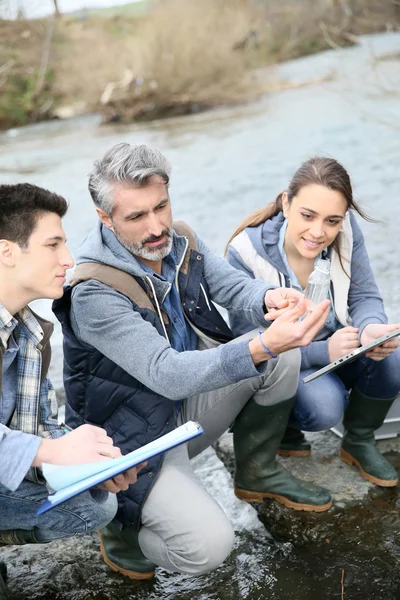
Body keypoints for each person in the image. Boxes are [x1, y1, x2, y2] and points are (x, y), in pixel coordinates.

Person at [54, 143, 332, 581]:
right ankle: (119, 527)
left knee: (282, 353)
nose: (156, 226)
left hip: (183, 415)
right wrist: (261, 346)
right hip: (132, 447)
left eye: (161, 206)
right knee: (208, 550)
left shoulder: (180, 240)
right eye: (136, 217)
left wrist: (268, 297)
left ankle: (257, 471)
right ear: (104, 217)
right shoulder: (93, 292)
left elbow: (233, 287)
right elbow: (167, 373)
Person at [0, 183, 142, 598]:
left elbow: (45, 426)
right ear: (7, 252)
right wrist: (51, 453)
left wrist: (93, 465)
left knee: (93, 502)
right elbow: (45, 448)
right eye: (53, 245)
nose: (68, 259)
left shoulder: (30, 333)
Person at [226, 156, 400, 489]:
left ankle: (359, 440)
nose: (319, 232)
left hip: (340, 347)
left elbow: (364, 296)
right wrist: (324, 351)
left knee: (393, 354)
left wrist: (370, 329)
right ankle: (285, 427)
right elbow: (251, 350)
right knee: (324, 408)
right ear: (286, 203)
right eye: (308, 216)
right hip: (287, 364)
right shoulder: (245, 253)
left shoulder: (347, 230)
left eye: (332, 220)